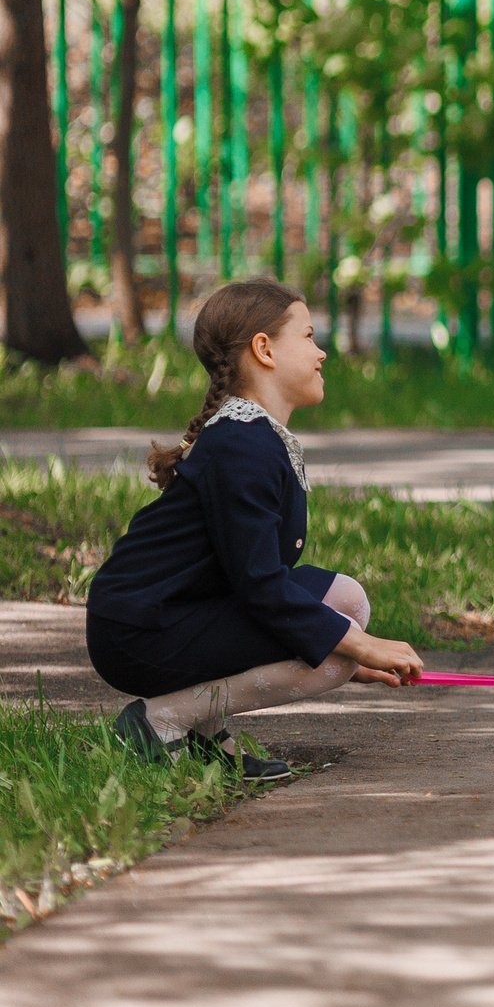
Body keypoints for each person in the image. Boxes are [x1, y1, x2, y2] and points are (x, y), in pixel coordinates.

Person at [86, 278, 422, 778]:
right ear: (263, 349)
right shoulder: (243, 444)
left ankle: (200, 730)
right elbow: (261, 585)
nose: (322, 352)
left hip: (175, 614)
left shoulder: (253, 436)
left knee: (345, 605)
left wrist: (346, 651)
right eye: (308, 337)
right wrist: (354, 646)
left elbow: (246, 578)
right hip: (141, 631)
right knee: (343, 625)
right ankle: (161, 722)